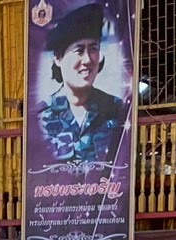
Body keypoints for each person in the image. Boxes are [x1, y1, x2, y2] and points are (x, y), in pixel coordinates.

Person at [36, 3, 128, 165]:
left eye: (93, 49)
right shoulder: (39, 117)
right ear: (58, 58)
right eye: (78, 51)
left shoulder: (117, 110)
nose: (87, 60)